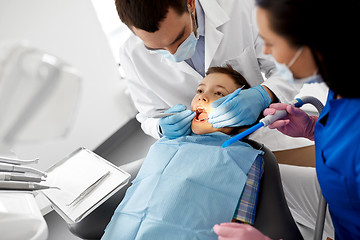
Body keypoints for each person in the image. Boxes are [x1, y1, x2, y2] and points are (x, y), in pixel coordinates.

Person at [214, 0, 360, 239]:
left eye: (270, 43)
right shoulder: (342, 82)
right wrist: (313, 129)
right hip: (342, 204)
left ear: (311, 42)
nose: (267, 52)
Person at [101, 65, 264, 239]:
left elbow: (241, 225)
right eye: (200, 90)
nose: (202, 96)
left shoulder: (245, 158)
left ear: (243, 113)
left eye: (219, 93)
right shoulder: (167, 143)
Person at [114, 0, 300, 142]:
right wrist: (161, 128)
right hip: (195, 149)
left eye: (178, 38)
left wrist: (264, 94)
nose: (174, 53)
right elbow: (149, 116)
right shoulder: (131, 54)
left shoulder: (242, 7)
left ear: (190, 3)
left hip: (262, 135)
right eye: (157, 49)